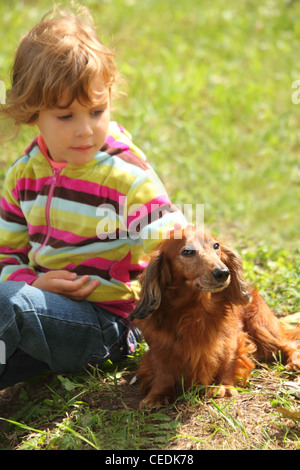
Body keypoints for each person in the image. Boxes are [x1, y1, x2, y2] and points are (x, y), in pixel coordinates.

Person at [0, 6, 186, 389]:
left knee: (7, 304)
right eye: (65, 117)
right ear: (33, 113)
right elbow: (7, 254)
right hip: (39, 311)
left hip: (106, 323)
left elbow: (175, 240)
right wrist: (33, 284)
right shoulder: (22, 176)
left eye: (97, 111)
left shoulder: (124, 177)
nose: (85, 130)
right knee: (12, 305)